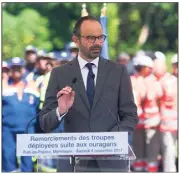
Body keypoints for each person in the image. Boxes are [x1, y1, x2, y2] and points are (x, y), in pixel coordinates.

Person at [39, 16, 138, 172]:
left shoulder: (118, 71)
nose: (98, 42)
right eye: (91, 38)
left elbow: (130, 115)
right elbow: (45, 123)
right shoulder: (60, 74)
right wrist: (61, 110)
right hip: (74, 163)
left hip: (111, 161)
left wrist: (109, 140)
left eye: (101, 37)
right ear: (76, 40)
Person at [2, 57, 40, 172]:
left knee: (27, 160)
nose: (16, 70)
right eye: (13, 68)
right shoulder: (4, 87)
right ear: (9, 70)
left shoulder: (32, 86)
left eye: (19, 67)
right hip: (8, 129)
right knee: (8, 157)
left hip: (28, 129)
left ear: (23, 69)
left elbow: (37, 106)